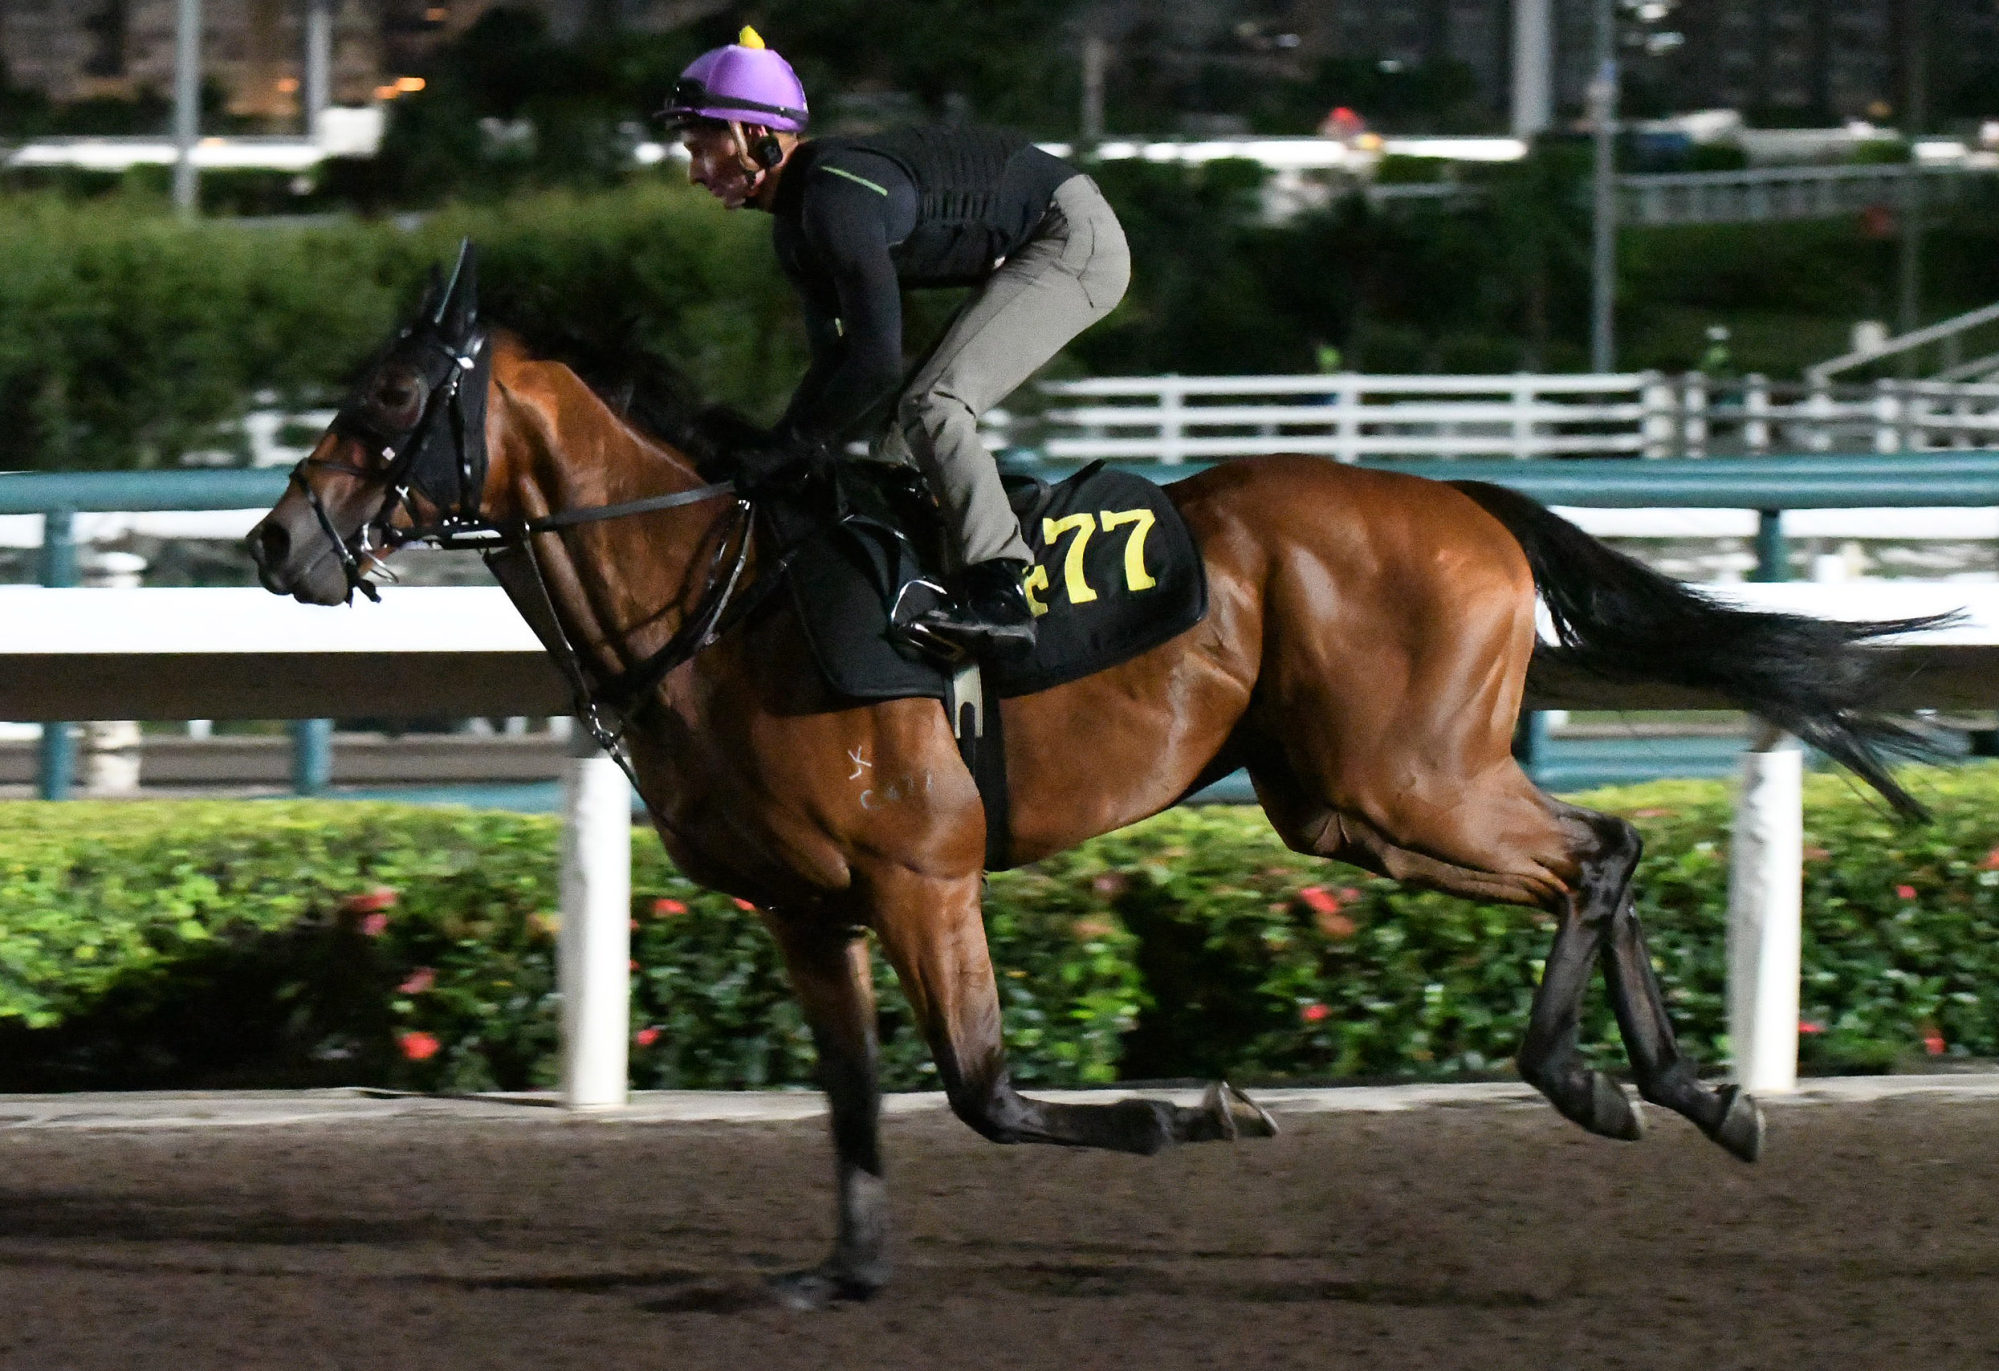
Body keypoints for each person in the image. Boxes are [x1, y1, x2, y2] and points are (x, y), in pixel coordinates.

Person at [660, 27, 1131, 658]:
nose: (695, 173)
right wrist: (777, 448)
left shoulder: (834, 203)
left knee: (932, 407)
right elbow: (835, 362)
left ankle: (1004, 592)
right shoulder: (796, 229)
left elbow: (877, 361)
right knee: (891, 452)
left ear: (756, 136)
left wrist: (783, 450)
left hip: (1070, 238)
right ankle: (946, 558)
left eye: (701, 149)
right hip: (1033, 234)